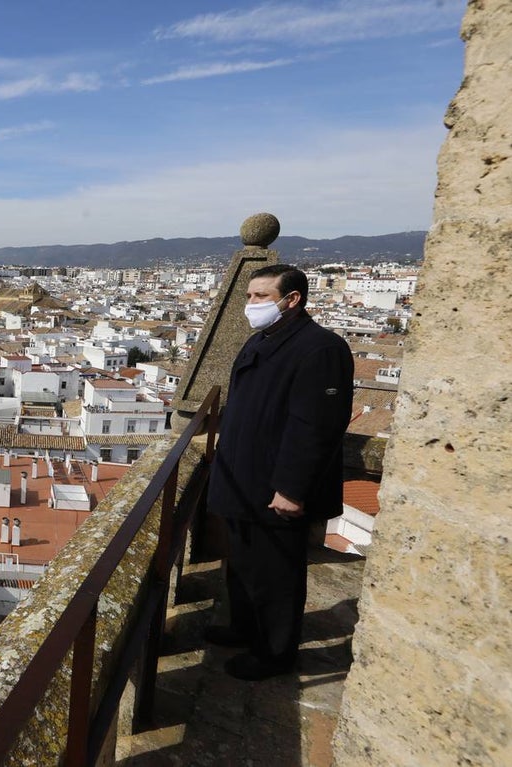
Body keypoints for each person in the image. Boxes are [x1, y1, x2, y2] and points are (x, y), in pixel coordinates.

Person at [206, 264, 354, 681]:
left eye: (261, 297)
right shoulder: (265, 340)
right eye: (249, 296)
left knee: (276, 573)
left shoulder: (320, 348)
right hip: (243, 479)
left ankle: (274, 653)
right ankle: (243, 628)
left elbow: (316, 426)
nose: (251, 305)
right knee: (244, 562)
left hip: (275, 487)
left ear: (292, 300)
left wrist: (291, 488)